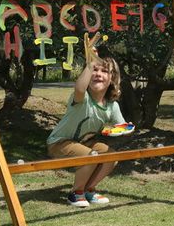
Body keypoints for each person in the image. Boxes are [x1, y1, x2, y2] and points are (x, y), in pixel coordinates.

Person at [46, 35, 126, 207]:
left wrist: (119, 129)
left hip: (85, 143)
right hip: (59, 143)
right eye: (94, 70)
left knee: (111, 155)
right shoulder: (82, 98)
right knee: (91, 156)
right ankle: (76, 193)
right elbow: (79, 87)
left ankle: (89, 189)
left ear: (112, 78)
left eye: (104, 71)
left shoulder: (112, 105)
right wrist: (90, 62)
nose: (98, 74)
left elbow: (121, 127)